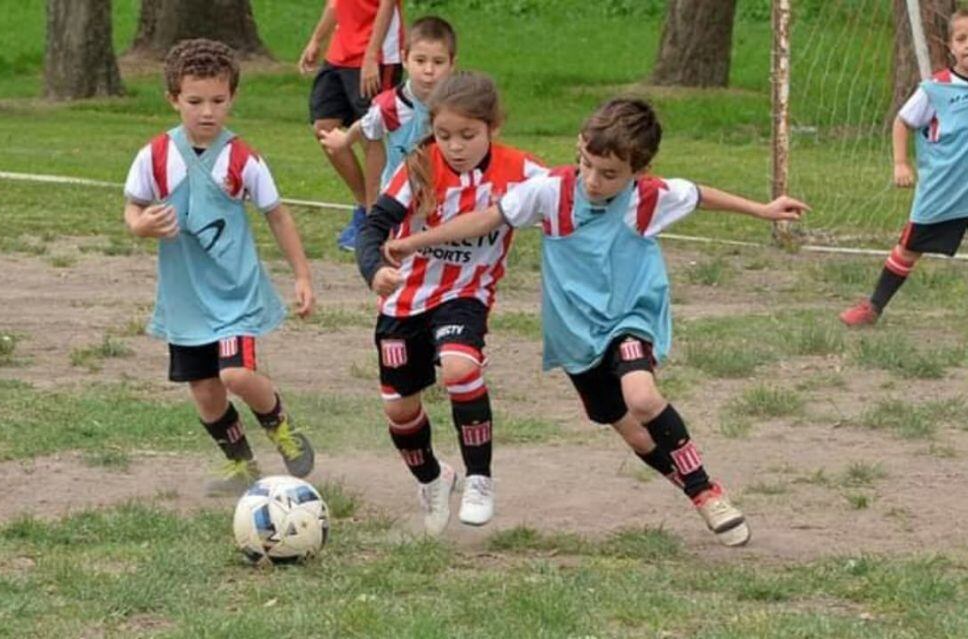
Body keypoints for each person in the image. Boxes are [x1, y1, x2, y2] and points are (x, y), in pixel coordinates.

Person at [385, 97, 811, 546]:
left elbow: (699, 194)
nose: (593, 180)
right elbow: (485, 219)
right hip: (575, 337)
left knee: (643, 399)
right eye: (586, 165)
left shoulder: (649, 199)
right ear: (579, 147)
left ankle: (708, 491)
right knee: (633, 431)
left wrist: (762, 211)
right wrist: (416, 241)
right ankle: (693, 489)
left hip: (630, 316)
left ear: (637, 172)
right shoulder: (549, 192)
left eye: (609, 175)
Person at [356, 71, 548, 535]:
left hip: (466, 294)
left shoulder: (521, 172)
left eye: (468, 135)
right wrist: (375, 271)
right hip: (404, 303)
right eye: (444, 135)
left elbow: (573, 195)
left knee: (460, 367)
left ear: (493, 128)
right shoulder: (419, 165)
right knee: (400, 410)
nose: (455, 146)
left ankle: (480, 477)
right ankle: (435, 478)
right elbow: (372, 227)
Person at [123, 39, 316, 496]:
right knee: (206, 392)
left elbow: (277, 214)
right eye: (194, 101)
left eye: (217, 100)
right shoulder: (154, 156)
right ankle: (242, 467)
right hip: (184, 298)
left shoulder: (242, 158)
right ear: (173, 99)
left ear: (232, 98)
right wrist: (142, 225)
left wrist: (303, 275)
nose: (207, 112)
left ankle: (281, 426)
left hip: (235, 293)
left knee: (235, 375)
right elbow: (132, 209)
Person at [840, 10, 968, 326]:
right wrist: (900, 163)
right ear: (950, 45)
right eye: (962, 38)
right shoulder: (935, 90)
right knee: (910, 247)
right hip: (945, 190)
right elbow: (903, 122)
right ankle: (873, 306)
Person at [299, 0, 405, 251]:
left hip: (376, 55)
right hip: (341, 53)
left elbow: (387, 5)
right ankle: (364, 208)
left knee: (372, 133)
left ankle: (374, 222)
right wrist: (317, 39)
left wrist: (371, 55)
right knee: (324, 127)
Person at [319, 15, 457, 197]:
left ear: (452, 64)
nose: (428, 70)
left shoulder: (458, 106)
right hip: (397, 197)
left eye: (438, 62)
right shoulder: (390, 106)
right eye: (420, 61)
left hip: (441, 195)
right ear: (405, 59)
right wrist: (344, 141)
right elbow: (365, 125)